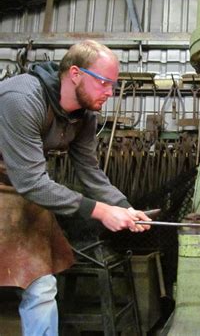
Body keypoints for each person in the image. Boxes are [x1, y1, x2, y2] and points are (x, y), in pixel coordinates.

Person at [0, 40, 152, 336]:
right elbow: (32, 181)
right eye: (104, 83)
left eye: (114, 85)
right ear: (75, 73)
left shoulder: (85, 116)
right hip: (26, 183)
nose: (110, 93)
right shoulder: (22, 98)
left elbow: (89, 170)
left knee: (40, 285)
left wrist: (123, 207)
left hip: (21, 188)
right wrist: (99, 211)